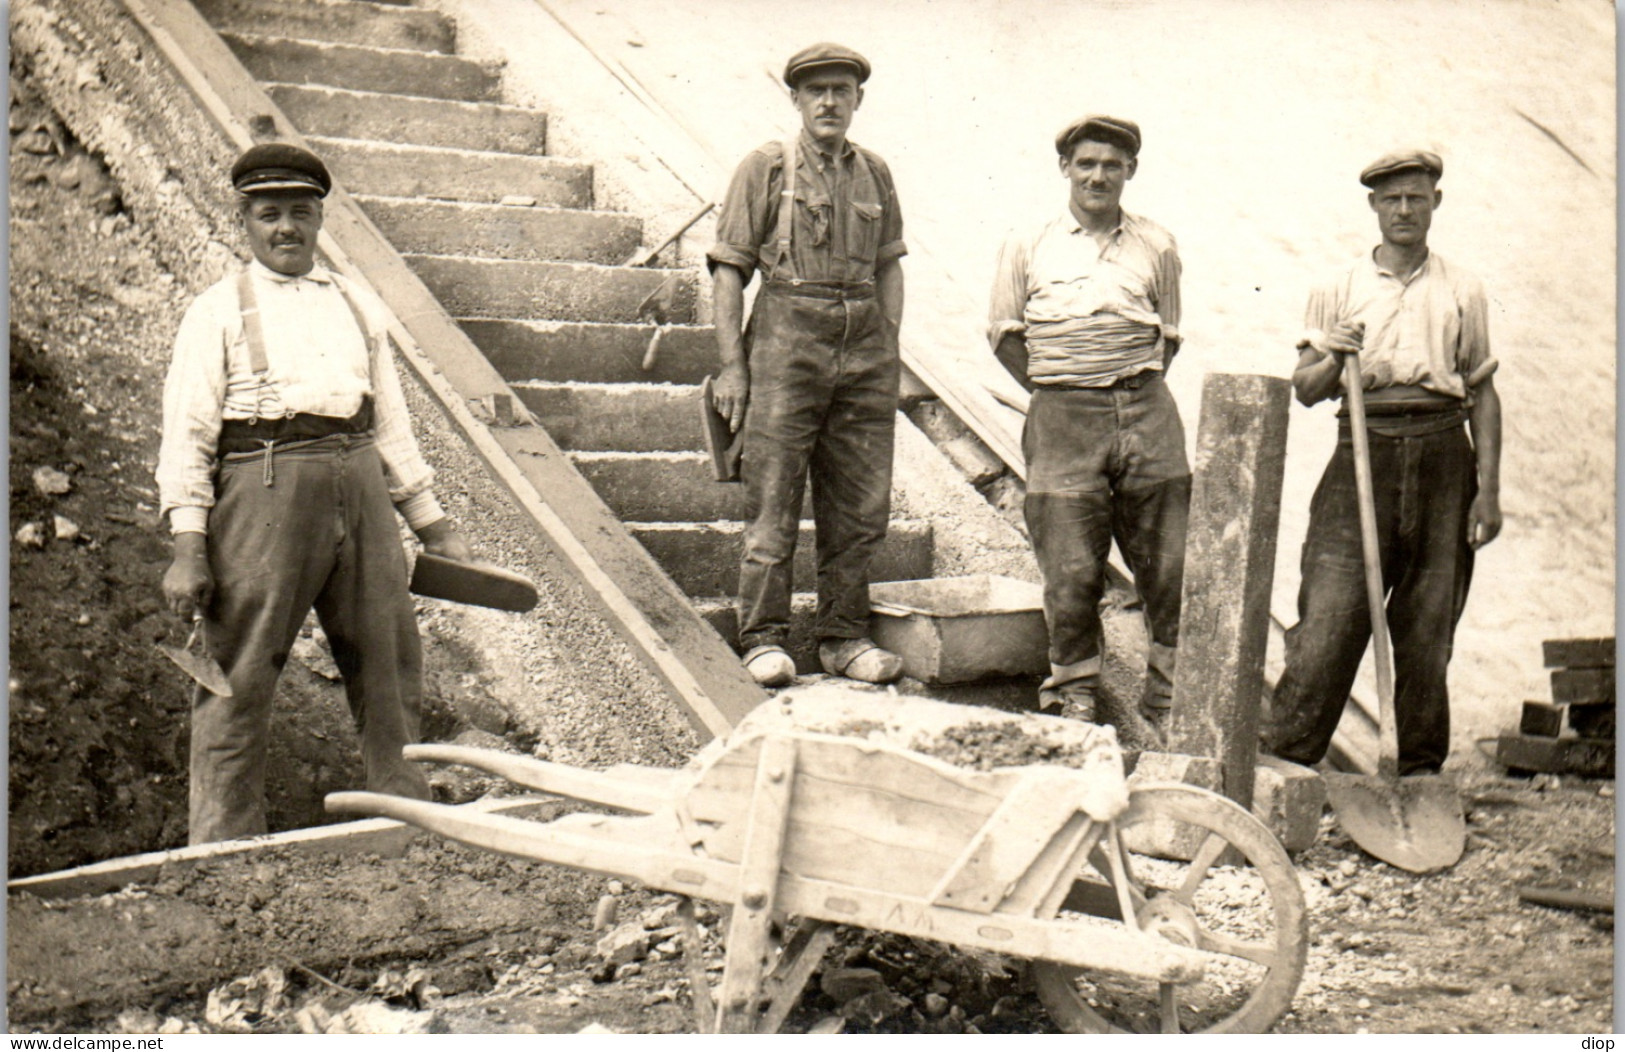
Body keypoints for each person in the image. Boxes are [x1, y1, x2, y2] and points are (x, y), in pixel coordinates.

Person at [156, 142, 473, 844]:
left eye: (301, 212)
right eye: (269, 215)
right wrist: (188, 548)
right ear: (243, 221)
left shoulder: (356, 305)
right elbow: (188, 437)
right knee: (237, 669)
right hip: (263, 488)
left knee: (389, 662)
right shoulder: (215, 311)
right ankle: (223, 846)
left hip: (358, 481)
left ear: (320, 218)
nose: (286, 229)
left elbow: (388, 421)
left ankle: (403, 822)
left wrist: (432, 523)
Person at [1264, 149, 1502, 775]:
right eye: (1392, 199)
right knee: (1328, 623)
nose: (1404, 210)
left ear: (1435, 203)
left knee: (1426, 634)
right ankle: (1285, 768)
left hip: (1445, 456)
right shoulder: (1337, 286)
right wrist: (1331, 353)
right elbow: (1307, 388)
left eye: (1416, 198)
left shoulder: (1463, 288)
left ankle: (1419, 778)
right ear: (1373, 205)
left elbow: (1481, 391)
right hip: (1361, 451)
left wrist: (1491, 491)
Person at [707, 43, 908, 687]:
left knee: (860, 504)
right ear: (795, 99)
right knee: (773, 498)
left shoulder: (874, 172)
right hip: (786, 342)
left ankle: (843, 637)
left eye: (841, 91)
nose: (829, 102)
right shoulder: (766, 167)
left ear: (858, 100)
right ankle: (763, 635)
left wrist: (889, 348)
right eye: (816, 90)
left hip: (865, 345)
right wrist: (733, 368)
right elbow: (730, 272)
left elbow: (889, 267)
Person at [987, 115, 1188, 727]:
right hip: (1063, 416)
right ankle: (1074, 690)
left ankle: (1170, 694)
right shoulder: (1029, 243)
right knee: (1071, 564)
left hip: (1147, 407)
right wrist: (1064, 391)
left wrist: (1125, 387)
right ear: (1065, 169)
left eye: (1111, 164)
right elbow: (1003, 335)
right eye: (1086, 163)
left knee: (1172, 557)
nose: (1098, 175)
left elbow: (1169, 337)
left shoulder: (1157, 244)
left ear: (1131, 170)